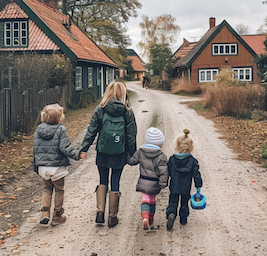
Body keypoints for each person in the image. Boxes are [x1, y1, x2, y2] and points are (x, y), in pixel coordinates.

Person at [79, 81, 137, 228]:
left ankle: (100, 212)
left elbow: (91, 130)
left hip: (103, 152)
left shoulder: (100, 109)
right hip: (119, 152)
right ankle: (112, 217)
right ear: (123, 94)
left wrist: (84, 148)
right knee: (115, 180)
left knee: (103, 180)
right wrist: (133, 154)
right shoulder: (127, 112)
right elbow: (131, 136)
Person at [33, 103, 80, 226]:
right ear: (58, 118)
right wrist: (76, 154)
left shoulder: (38, 130)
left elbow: (36, 149)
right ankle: (57, 216)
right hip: (57, 167)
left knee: (47, 189)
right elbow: (65, 148)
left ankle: (44, 213)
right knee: (59, 190)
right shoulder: (61, 129)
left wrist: (36, 165)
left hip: (43, 167)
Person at [128, 127, 168, 230]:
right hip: (154, 183)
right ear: (160, 144)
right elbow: (164, 172)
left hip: (143, 181)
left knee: (145, 200)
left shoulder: (140, 151)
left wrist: (126, 156)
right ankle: (150, 219)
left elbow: (132, 161)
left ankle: (144, 217)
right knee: (153, 200)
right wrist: (163, 183)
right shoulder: (161, 156)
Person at [166, 129, 202, 230]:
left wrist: (164, 182)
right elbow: (196, 174)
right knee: (184, 203)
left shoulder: (172, 159)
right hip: (186, 187)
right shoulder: (192, 161)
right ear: (190, 147)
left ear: (176, 147)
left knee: (173, 201)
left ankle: (171, 213)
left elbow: (167, 172)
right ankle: (183, 219)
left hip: (174, 186)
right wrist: (198, 185)